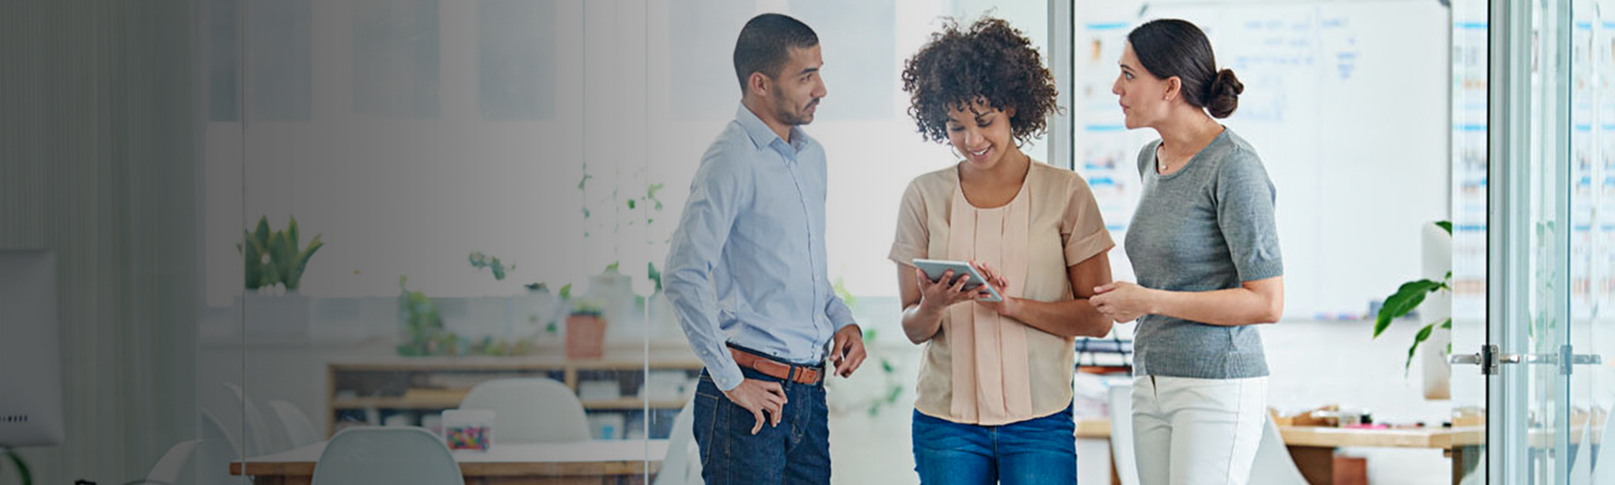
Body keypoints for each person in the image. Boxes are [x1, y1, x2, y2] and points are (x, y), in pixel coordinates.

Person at [890, 16, 1115, 485]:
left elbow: (1097, 317)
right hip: (945, 424)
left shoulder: (1065, 192)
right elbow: (913, 326)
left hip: (1039, 421)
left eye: (985, 121)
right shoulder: (923, 195)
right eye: (956, 127)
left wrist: (1010, 306)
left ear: (1013, 106)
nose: (972, 140)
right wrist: (933, 303)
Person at [662, 13, 867, 485]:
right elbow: (682, 274)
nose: (822, 89)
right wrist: (731, 382)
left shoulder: (811, 158)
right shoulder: (730, 159)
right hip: (748, 396)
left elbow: (800, 273)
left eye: (819, 71)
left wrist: (842, 320)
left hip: (808, 397)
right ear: (760, 83)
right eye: (806, 76)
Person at [1089, 18, 1285, 485]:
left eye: (1129, 74)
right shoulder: (1149, 161)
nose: (1117, 87)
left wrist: (1148, 300)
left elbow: (1266, 301)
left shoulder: (1234, 167)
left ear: (1171, 86)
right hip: (1152, 380)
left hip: (1217, 383)